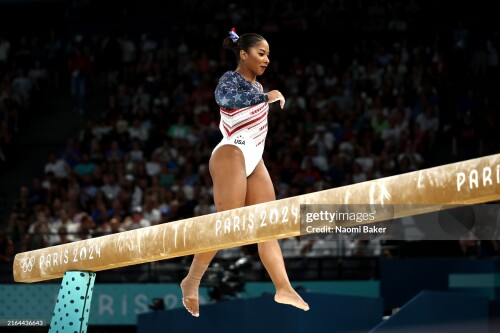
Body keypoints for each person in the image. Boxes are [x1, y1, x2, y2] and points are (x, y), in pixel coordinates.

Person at [180, 28, 309, 317]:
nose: (266, 60)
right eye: (261, 54)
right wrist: (267, 98)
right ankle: (192, 279)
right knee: (228, 224)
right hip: (231, 152)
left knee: (269, 227)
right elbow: (224, 99)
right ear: (243, 54)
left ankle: (283, 287)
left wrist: (264, 96)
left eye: (268, 55)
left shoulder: (258, 89)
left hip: (254, 158)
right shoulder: (231, 79)